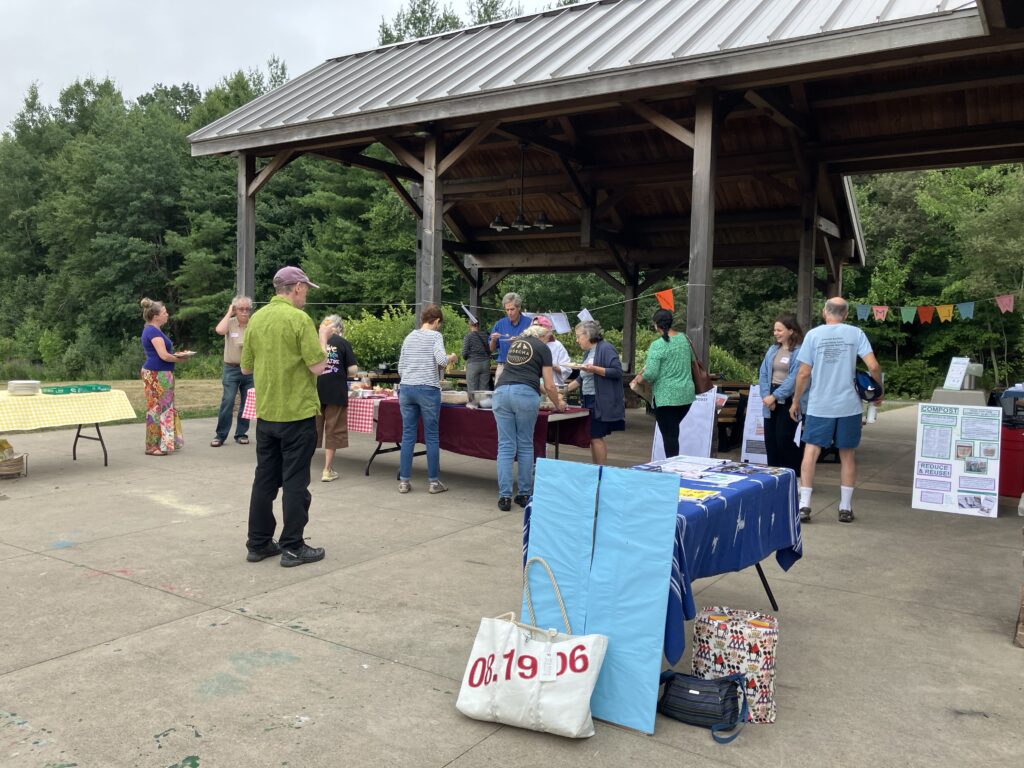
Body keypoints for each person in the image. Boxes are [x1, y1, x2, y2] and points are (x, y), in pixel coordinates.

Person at [241, 266, 328, 567]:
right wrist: (324, 339)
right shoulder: (299, 319)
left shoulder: (256, 319)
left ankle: (259, 542)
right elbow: (318, 366)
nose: (306, 296)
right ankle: (293, 546)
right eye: (306, 290)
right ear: (298, 288)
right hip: (297, 413)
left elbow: (245, 368)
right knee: (294, 482)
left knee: (264, 480)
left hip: (266, 414)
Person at [789, 297, 883, 524]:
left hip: (820, 404)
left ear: (824, 312)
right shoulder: (856, 333)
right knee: (847, 454)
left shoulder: (813, 335)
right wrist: (877, 391)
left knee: (811, 452)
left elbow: (803, 373)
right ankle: (845, 507)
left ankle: (804, 505)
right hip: (849, 405)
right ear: (846, 314)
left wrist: (795, 401)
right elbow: (873, 366)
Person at [492, 323, 566, 511]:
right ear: (545, 336)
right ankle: (524, 494)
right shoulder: (543, 348)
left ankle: (505, 497)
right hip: (524, 396)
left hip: (501, 393)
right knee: (524, 444)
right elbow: (549, 385)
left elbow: (523, 377)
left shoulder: (517, 344)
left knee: (505, 446)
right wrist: (559, 404)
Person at [397, 304, 457, 495]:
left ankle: (404, 481)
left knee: (408, 435)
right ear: (437, 321)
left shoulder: (409, 337)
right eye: (440, 324)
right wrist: (452, 358)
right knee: (431, 436)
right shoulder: (435, 336)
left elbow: (400, 367)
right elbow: (440, 361)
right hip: (428, 389)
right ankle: (433, 482)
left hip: (406, 388)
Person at [630, 308, 694, 459]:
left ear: (656, 325)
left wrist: (639, 378)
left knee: (670, 436)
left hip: (666, 398)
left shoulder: (657, 345)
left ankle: (672, 469)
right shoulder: (685, 339)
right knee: (673, 431)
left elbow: (651, 373)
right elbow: (691, 361)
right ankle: (674, 465)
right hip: (686, 395)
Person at [566, 319, 625, 465]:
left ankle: (600, 470)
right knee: (592, 436)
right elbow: (581, 378)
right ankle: (597, 469)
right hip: (588, 399)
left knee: (596, 436)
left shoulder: (606, 348)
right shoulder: (588, 353)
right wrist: (562, 391)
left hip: (599, 400)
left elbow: (617, 372)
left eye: (579, 336)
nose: (577, 339)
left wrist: (594, 369)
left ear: (588, 335)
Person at [758, 314, 806, 475]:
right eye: (774, 330)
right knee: (770, 440)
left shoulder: (800, 351)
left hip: (788, 399)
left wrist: (775, 396)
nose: (776, 333)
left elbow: (794, 378)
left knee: (783, 438)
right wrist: (766, 396)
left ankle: (797, 473)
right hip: (769, 396)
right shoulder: (773, 349)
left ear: (791, 331)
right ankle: (774, 475)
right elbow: (763, 372)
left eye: (779, 330)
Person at [140, 298, 188, 456]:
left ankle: (164, 442)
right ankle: (154, 446)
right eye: (164, 312)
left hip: (157, 373)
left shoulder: (152, 330)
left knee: (162, 408)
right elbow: (164, 356)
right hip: (157, 374)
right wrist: (180, 358)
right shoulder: (153, 332)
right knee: (159, 409)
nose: (167, 314)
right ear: (155, 316)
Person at [316, 314, 358, 483]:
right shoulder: (342, 343)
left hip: (316, 392)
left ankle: (302, 466)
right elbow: (353, 370)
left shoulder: (316, 341)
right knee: (333, 431)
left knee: (312, 430)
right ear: (339, 328)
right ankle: (327, 470)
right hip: (336, 393)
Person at [211, 295, 254, 447]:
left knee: (247, 402)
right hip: (232, 368)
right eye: (241, 309)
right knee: (228, 401)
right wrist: (229, 312)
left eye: (247, 309)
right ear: (235, 309)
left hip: (249, 369)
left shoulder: (253, 324)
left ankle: (241, 433)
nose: (244, 312)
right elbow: (219, 330)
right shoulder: (230, 323)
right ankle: (220, 435)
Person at [489, 292, 532, 381]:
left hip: (523, 366)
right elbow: (490, 350)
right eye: (507, 310)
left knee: (520, 393)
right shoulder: (500, 324)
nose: (509, 313)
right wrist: (493, 340)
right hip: (503, 365)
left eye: (512, 309)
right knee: (499, 393)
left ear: (519, 308)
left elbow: (536, 346)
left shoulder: (529, 323)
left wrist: (519, 342)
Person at [531, 315, 572, 386]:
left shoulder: (557, 345)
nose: (535, 329)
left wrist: (550, 365)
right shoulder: (529, 344)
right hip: (533, 385)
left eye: (537, 326)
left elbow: (567, 369)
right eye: (533, 326)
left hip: (553, 384)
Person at [461, 318, 492, 396]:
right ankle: (482, 406)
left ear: (470, 324)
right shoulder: (485, 335)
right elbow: (489, 350)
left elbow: (464, 353)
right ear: (478, 325)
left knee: (472, 389)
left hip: (473, 364)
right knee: (484, 390)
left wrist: (467, 358)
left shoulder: (468, 336)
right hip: (485, 364)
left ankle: (473, 406)